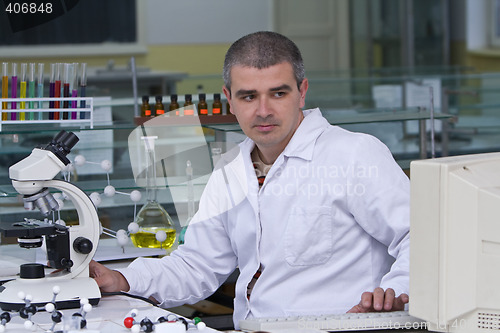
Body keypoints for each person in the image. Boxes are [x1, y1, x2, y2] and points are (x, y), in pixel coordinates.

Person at [90, 31, 410, 328]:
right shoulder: (231, 170)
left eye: (278, 93)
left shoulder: (354, 154)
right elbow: (198, 264)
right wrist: (123, 279)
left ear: (302, 92)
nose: (263, 110)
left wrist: (393, 293)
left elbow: (422, 239)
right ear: (229, 98)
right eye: (248, 97)